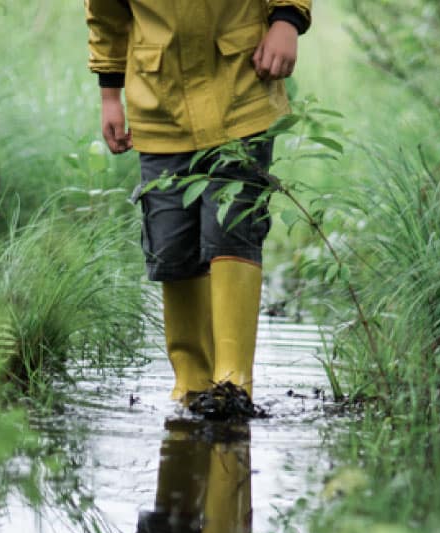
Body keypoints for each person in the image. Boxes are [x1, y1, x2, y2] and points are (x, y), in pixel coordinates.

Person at [85, 0, 311, 413]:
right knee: (170, 244)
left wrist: (287, 20)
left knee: (232, 227)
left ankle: (233, 382)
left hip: (241, 91)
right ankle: (190, 383)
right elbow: (106, 14)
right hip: (160, 108)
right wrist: (109, 95)